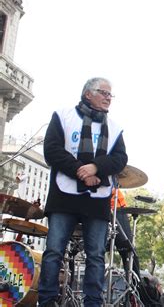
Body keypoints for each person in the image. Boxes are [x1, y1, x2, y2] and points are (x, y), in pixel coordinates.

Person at [38, 77, 128, 307]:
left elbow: (120, 158)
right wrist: (80, 170)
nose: (109, 98)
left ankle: (93, 303)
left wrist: (97, 168)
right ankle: (46, 300)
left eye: (111, 94)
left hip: (97, 200)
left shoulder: (115, 128)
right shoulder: (63, 116)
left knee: (96, 256)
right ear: (88, 94)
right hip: (64, 196)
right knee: (54, 251)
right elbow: (52, 150)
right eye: (104, 93)